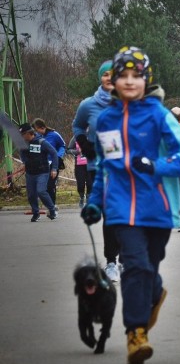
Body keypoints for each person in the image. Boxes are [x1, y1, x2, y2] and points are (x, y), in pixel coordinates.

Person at [80, 46, 180, 364]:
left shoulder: (158, 115)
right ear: (114, 82)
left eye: (137, 76)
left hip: (155, 208)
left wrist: (155, 165)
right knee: (136, 267)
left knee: (151, 270)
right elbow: (105, 166)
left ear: (146, 80)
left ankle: (155, 295)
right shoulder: (105, 120)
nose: (130, 82)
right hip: (120, 208)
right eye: (123, 76)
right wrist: (94, 202)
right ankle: (135, 335)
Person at [73, 60, 122, 283]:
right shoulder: (88, 105)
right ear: (101, 78)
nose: (109, 78)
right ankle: (112, 262)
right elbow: (77, 126)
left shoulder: (126, 102)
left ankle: (126, 260)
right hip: (98, 168)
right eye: (106, 75)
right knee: (110, 215)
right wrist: (86, 145)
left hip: (124, 168)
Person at [18, 122, 58, 222]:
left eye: (23, 135)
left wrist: (54, 169)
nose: (21, 137)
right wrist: (23, 163)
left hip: (42, 172)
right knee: (31, 195)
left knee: (41, 191)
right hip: (30, 173)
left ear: (29, 133)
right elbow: (22, 153)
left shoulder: (41, 142)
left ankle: (52, 210)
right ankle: (36, 213)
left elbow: (54, 153)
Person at [32, 118, 66, 204]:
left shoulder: (54, 135)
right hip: (42, 164)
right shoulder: (37, 137)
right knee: (43, 186)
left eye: (36, 130)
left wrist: (58, 156)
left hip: (53, 163)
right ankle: (48, 205)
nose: (36, 132)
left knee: (50, 186)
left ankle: (52, 206)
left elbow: (63, 145)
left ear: (42, 127)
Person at [71, 138, 92, 208]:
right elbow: (68, 150)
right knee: (80, 184)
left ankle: (89, 198)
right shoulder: (75, 138)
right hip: (79, 165)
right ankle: (82, 197)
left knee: (90, 183)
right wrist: (77, 151)